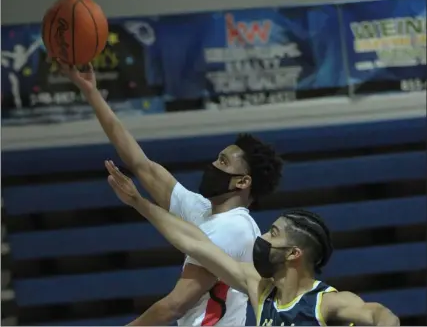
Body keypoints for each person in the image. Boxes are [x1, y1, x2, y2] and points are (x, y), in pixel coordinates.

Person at [58, 62, 283, 326]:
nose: (212, 165)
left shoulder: (234, 229)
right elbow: (141, 165)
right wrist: (92, 93)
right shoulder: (202, 210)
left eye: (223, 162)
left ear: (243, 182)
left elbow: (174, 306)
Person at [104, 160, 401, 327]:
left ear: (294, 254)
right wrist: (137, 202)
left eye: (272, 234)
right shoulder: (259, 287)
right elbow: (195, 243)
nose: (261, 238)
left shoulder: (326, 302)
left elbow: (381, 315)